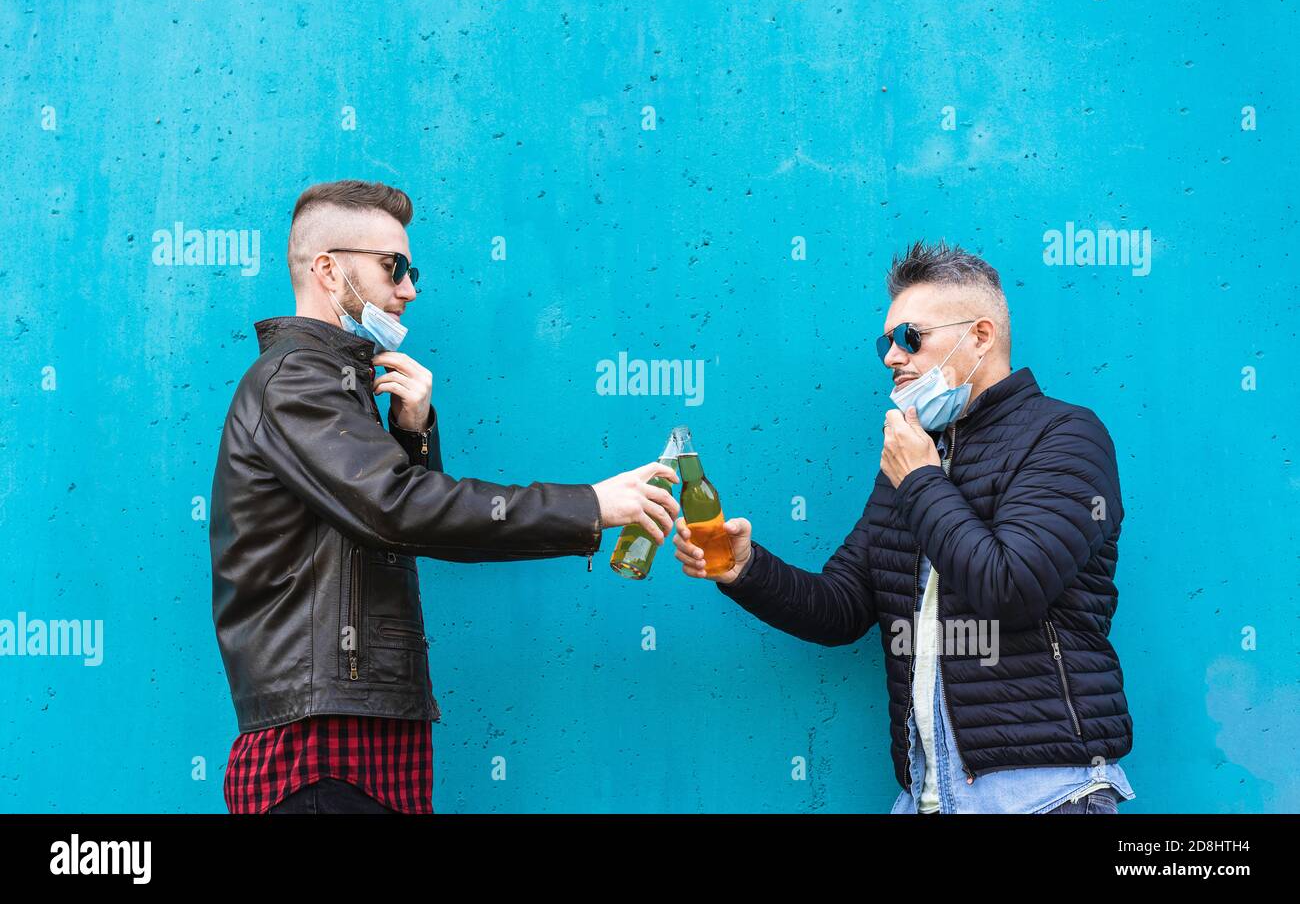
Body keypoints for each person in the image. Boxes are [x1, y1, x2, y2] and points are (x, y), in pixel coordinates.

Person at [211, 179, 678, 813]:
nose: (408, 289)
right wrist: (590, 505)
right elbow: (398, 510)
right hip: (319, 746)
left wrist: (412, 436)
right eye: (392, 267)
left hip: (356, 728)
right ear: (327, 269)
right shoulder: (297, 379)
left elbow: (394, 519)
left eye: (410, 269)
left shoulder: (336, 385)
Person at [673, 241, 1136, 814]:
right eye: (885, 342)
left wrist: (919, 477)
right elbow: (842, 607)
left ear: (981, 336)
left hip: (1044, 795)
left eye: (910, 338)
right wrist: (745, 568)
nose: (892, 356)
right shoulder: (912, 459)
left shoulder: (1065, 436)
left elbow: (1011, 590)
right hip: (927, 797)